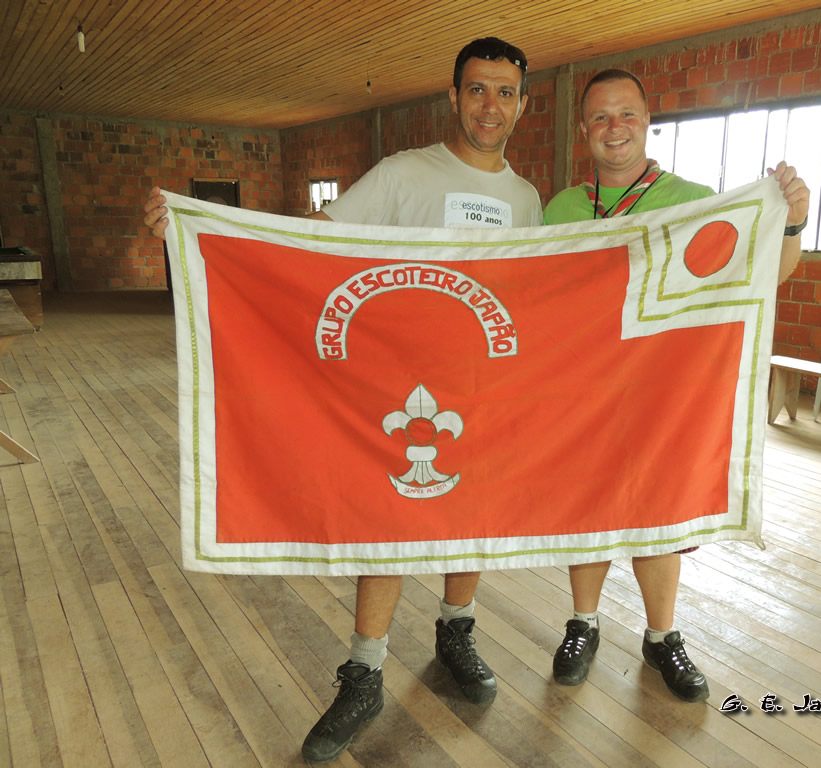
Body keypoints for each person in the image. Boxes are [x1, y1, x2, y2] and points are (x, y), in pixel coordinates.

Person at [143, 37, 540, 764]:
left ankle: (456, 632)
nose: (491, 105)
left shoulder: (526, 199)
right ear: (454, 97)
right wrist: (200, 231)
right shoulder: (402, 173)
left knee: (472, 518)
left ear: (522, 104)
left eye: (505, 92)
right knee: (387, 524)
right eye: (478, 89)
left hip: (481, 388)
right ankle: (364, 671)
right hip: (394, 386)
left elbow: (530, 292)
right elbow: (309, 242)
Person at [543, 68, 809, 702]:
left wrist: (792, 223)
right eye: (600, 116)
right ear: (583, 130)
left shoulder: (695, 200)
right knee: (589, 508)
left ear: (647, 122)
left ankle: (661, 636)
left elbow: (762, 275)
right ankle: (583, 623)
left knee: (659, 512)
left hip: (664, 392)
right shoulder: (561, 208)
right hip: (585, 391)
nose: (614, 127)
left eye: (626, 114)